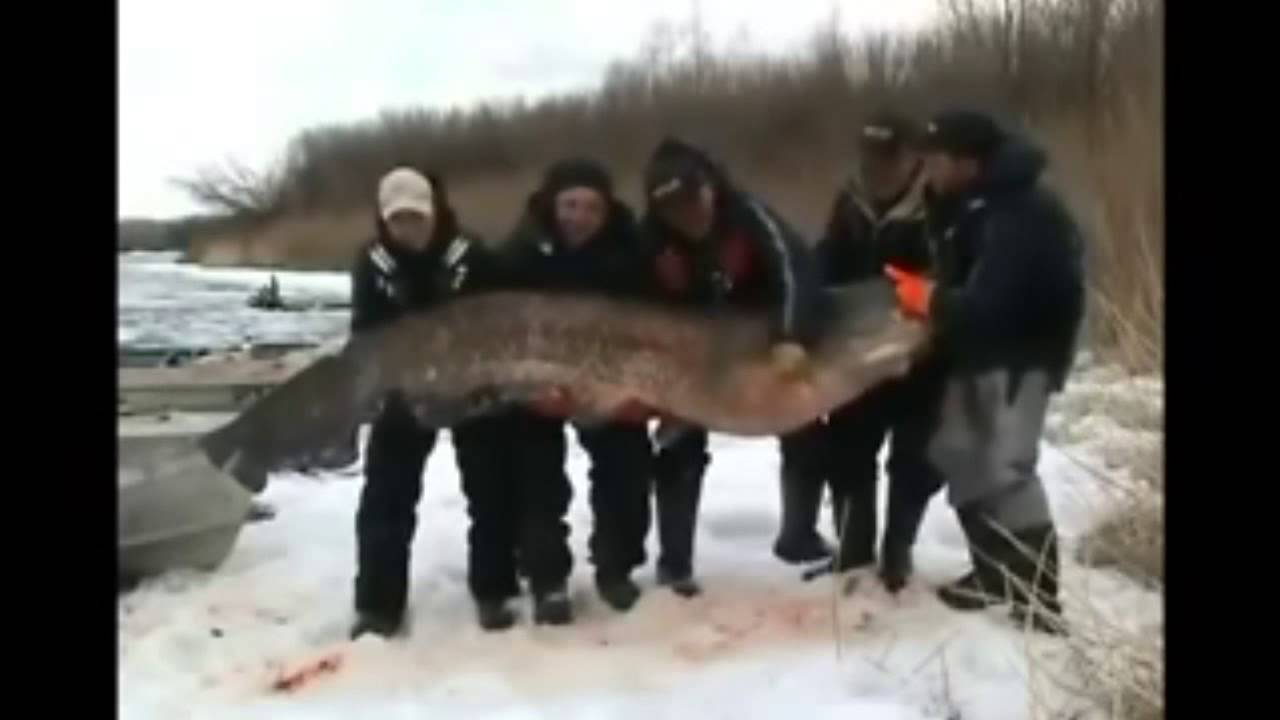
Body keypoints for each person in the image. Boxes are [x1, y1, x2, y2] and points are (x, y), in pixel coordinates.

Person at [883, 110, 1085, 634]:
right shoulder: (971, 204)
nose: (926, 168)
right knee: (960, 456)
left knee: (1007, 473)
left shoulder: (1020, 213)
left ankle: (1039, 601)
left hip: (1020, 356)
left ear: (967, 161)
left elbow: (992, 304)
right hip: (979, 355)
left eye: (936, 159)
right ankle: (995, 574)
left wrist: (925, 298)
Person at [638, 137, 826, 595]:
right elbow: (635, 304)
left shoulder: (749, 216)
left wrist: (789, 336)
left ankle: (798, 535)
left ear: (710, 188)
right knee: (677, 446)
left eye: (694, 199)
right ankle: (675, 563)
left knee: (806, 428)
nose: (690, 213)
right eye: (675, 209)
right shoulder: (650, 241)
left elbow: (794, 271)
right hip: (691, 355)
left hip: (764, 342)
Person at [348, 166, 520, 638]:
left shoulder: (475, 256)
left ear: (435, 213)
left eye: (417, 218)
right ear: (384, 221)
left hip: (473, 384)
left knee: (490, 490)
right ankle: (377, 605)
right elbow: (365, 332)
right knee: (386, 496)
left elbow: (503, 324)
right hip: (406, 388)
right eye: (398, 220)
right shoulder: (372, 264)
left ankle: (494, 590)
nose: (409, 229)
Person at [780, 111, 946, 594]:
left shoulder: (937, 204)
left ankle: (897, 554)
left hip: (922, 356)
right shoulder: (850, 200)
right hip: (858, 353)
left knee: (913, 460)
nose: (877, 165)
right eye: (870, 154)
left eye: (888, 155)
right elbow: (828, 262)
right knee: (849, 453)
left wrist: (924, 334)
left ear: (913, 157)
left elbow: (953, 278)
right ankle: (854, 553)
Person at [497, 157, 657, 622]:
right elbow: (498, 331)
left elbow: (654, 330)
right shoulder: (522, 250)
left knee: (626, 467)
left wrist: (636, 392)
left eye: (591, 206)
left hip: (610, 377)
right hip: (538, 379)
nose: (579, 216)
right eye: (569, 204)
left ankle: (616, 568)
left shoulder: (631, 251)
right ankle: (547, 579)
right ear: (553, 204)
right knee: (537, 476)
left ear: (607, 210)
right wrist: (528, 391)